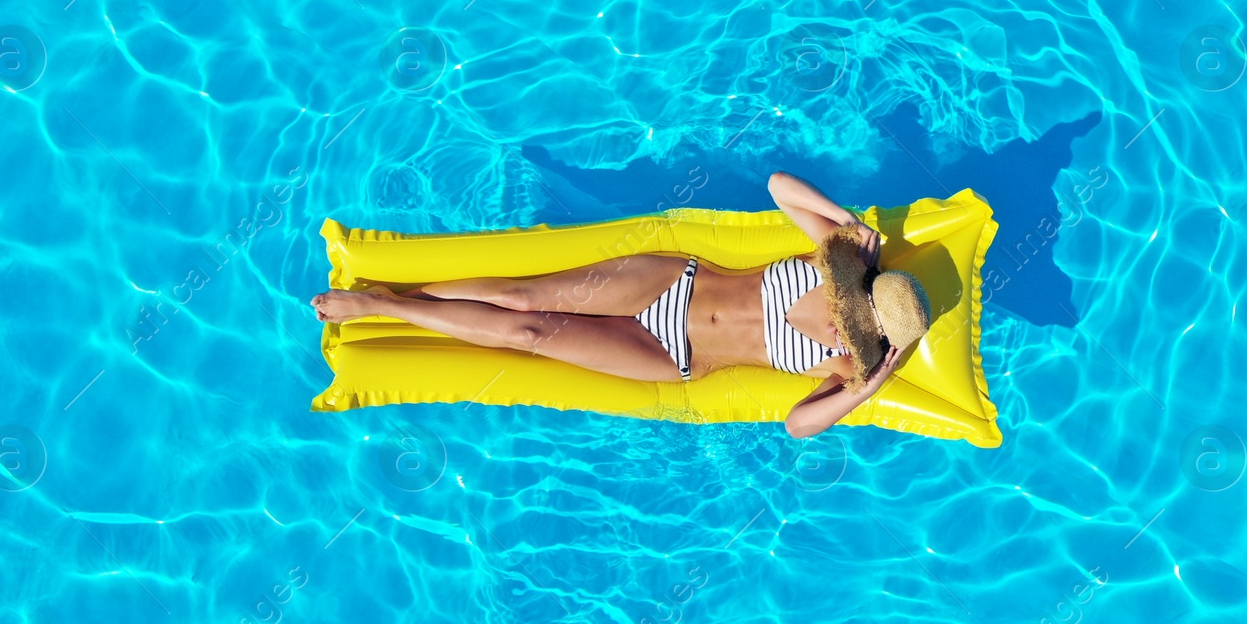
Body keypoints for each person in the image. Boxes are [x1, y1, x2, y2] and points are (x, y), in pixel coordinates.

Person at [310, 172, 931, 438]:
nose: (842, 314)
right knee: (516, 294)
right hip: (671, 285)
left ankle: (385, 309)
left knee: (526, 334)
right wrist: (845, 221)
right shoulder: (833, 258)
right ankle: (385, 297)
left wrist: (866, 389)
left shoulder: (852, 364)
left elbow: (797, 425)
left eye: (856, 323)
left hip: (672, 356)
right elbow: (777, 187)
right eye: (854, 302)